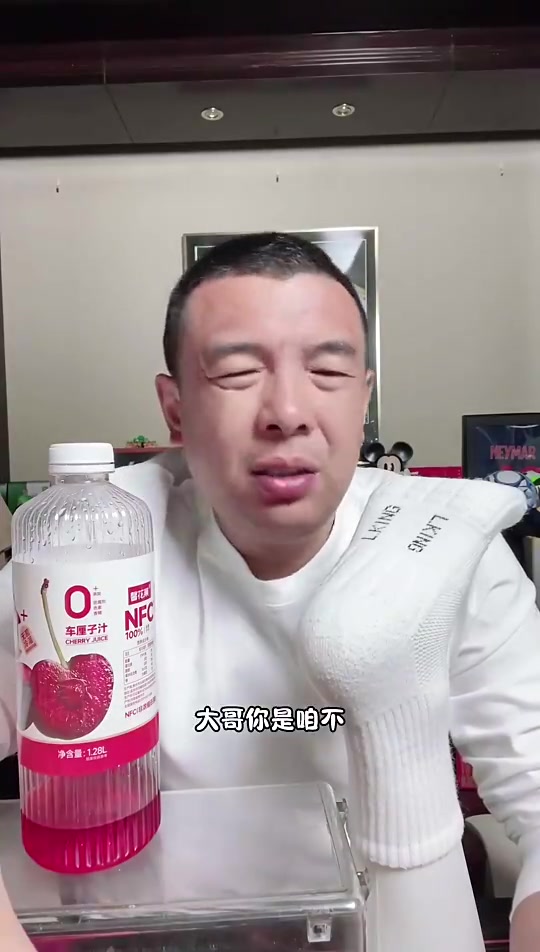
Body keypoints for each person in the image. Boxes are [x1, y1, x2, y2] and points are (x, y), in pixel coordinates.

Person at [0, 232, 539, 951]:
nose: (287, 411)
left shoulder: (439, 545)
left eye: (328, 371)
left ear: (364, 397)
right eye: (236, 373)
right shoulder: (93, 546)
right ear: (175, 408)